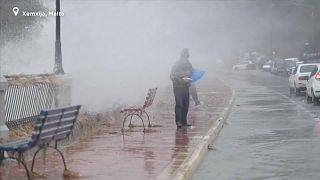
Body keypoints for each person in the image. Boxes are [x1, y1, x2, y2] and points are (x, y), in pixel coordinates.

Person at [170, 48, 193, 128]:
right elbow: (172, 75)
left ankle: (184, 121)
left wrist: (189, 79)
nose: (185, 58)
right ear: (181, 56)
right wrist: (180, 79)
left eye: (186, 56)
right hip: (178, 87)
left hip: (186, 87)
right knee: (179, 104)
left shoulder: (189, 65)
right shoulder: (176, 64)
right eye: (184, 56)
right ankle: (178, 122)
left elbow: (191, 74)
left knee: (186, 104)